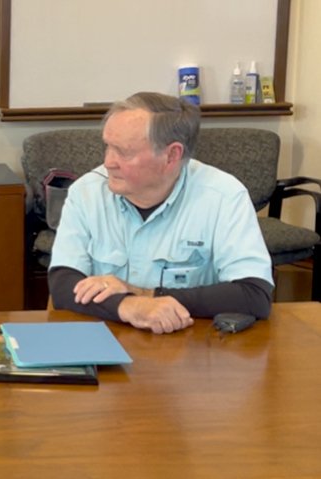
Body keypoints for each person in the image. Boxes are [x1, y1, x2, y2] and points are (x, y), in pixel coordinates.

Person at [48, 92, 273, 334]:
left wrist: (143, 294)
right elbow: (63, 284)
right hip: (105, 337)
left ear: (171, 155)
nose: (108, 162)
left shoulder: (224, 196)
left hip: (188, 345)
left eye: (123, 152)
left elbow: (254, 295)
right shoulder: (86, 192)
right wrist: (129, 306)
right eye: (107, 146)